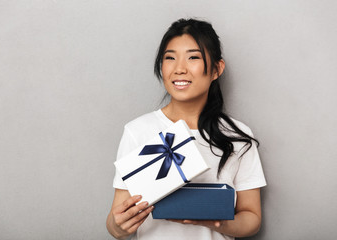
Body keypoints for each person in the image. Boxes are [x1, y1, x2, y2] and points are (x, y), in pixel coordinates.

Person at [106, 18, 266, 240]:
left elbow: (252, 219)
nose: (179, 69)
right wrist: (118, 227)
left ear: (216, 69)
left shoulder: (237, 136)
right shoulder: (138, 130)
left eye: (193, 57)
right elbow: (115, 225)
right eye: (170, 58)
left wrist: (216, 223)